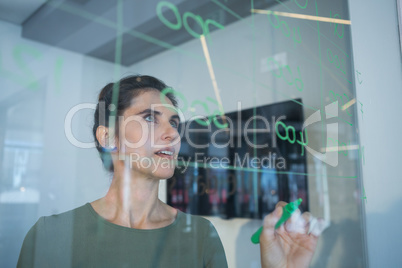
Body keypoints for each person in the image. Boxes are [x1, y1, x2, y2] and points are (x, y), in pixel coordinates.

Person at [17, 75, 324, 268]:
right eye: (150, 118)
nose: (173, 135)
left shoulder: (201, 236)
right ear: (108, 137)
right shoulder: (50, 235)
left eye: (174, 123)